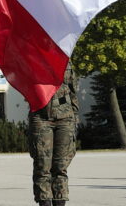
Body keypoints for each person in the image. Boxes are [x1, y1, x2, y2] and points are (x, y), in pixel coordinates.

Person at [27, 63, 79, 206]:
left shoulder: (65, 58)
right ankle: (45, 203)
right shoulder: (32, 58)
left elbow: (73, 91)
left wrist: (75, 118)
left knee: (61, 166)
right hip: (41, 115)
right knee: (42, 166)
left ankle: (60, 202)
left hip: (65, 116)